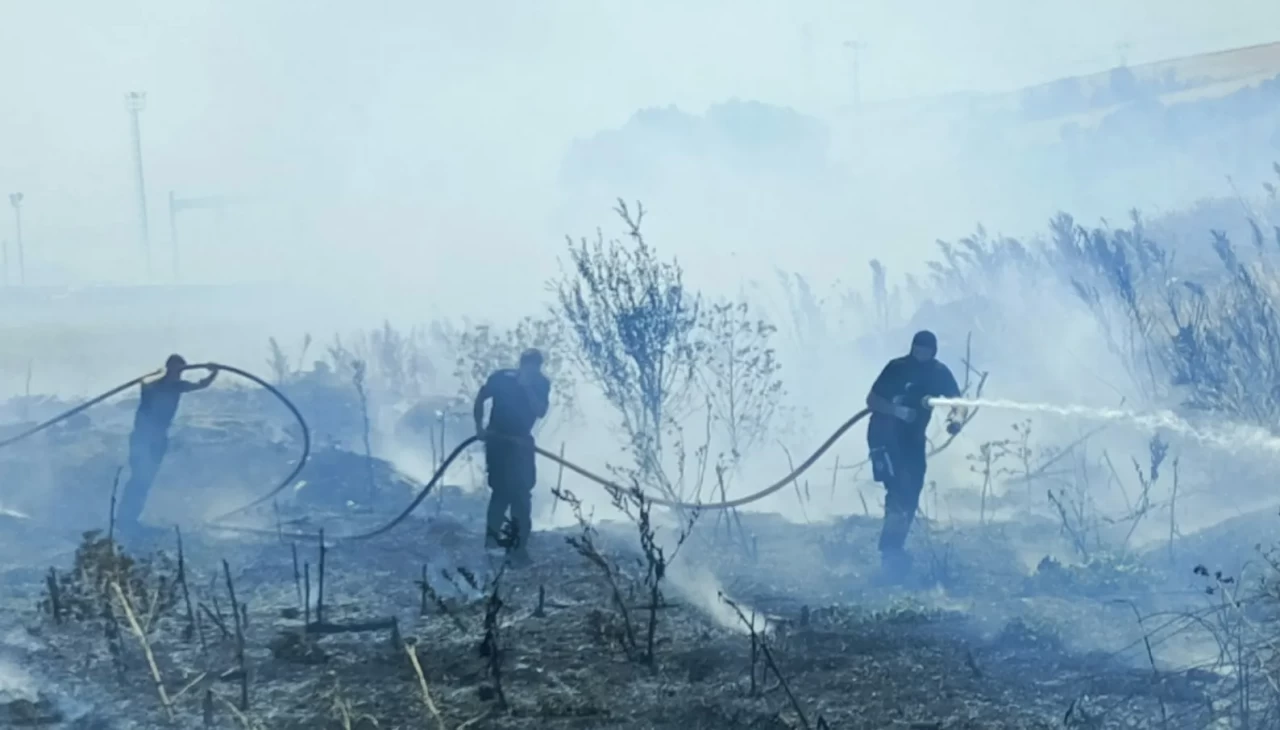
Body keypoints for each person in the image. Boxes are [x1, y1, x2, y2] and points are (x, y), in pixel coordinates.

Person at [865, 330, 967, 581]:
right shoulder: (897, 368)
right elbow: (872, 400)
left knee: (912, 490)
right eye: (918, 348)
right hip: (884, 437)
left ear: (934, 351)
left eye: (926, 350)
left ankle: (895, 546)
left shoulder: (938, 373)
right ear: (912, 347)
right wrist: (897, 411)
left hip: (913, 441)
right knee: (897, 489)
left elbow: (958, 402)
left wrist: (956, 419)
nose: (921, 353)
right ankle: (889, 551)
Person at [116, 355, 218, 538]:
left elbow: (201, 385)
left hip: (159, 439)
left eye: (181, 371)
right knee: (139, 478)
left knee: (145, 480)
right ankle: (125, 521)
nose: (179, 374)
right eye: (177, 370)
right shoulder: (154, 386)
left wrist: (213, 372)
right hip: (143, 438)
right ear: (169, 368)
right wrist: (155, 376)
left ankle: (129, 520)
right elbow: (144, 384)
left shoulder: (178, 386)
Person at [473, 348, 551, 565]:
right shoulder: (502, 378)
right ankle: (491, 543)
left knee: (522, 494)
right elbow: (481, 398)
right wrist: (479, 427)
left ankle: (518, 548)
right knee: (501, 492)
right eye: (529, 366)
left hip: (522, 443)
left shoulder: (541, 384)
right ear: (521, 365)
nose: (532, 371)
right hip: (498, 441)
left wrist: (527, 389)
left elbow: (540, 411)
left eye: (536, 367)